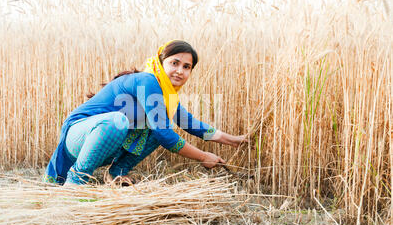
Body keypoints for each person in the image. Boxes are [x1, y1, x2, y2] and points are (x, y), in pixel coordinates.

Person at [45, 40, 248, 186]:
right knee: (120, 122)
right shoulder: (147, 80)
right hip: (78, 138)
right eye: (174, 63)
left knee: (154, 126)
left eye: (187, 67)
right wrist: (203, 156)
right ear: (161, 62)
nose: (180, 71)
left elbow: (190, 124)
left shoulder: (167, 96)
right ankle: (76, 181)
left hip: (104, 144)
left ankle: (117, 174)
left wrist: (235, 141)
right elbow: (165, 136)